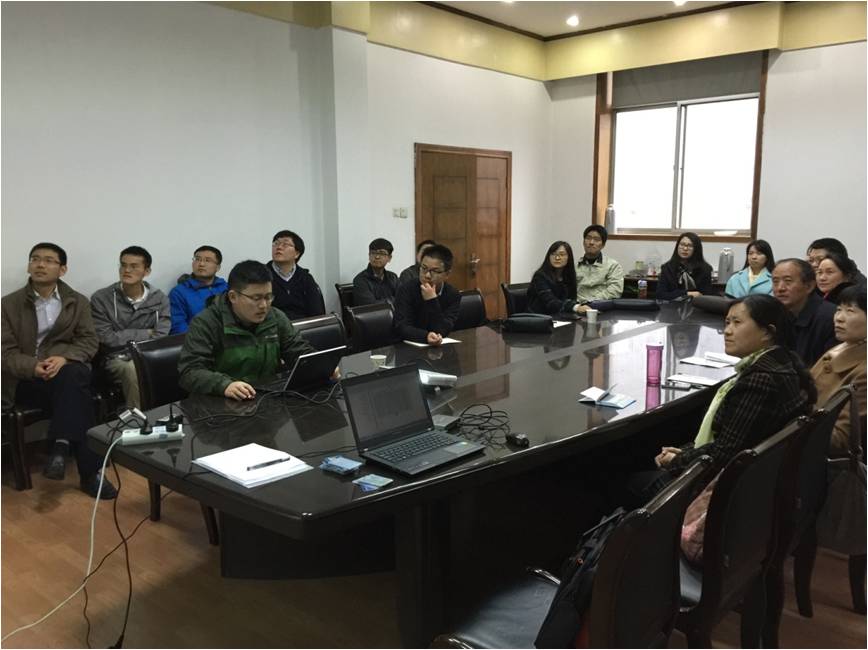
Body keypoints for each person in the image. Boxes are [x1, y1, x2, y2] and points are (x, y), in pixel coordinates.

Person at [629, 294, 815, 504]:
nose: (727, 330)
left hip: (728, 493)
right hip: (759, 480)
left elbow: (723, 454)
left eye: (737, 323)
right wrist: (686, 451)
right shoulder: (782, 361)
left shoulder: (760, 381)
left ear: (767, 332)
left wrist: (677, 460)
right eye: (727, 322)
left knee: (627, 477)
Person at [1, 243, 116, 499]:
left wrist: (64, 358)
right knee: (79, 391)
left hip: (63, 373)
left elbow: (89, 341)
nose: (40, 264)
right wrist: (33, 366)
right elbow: (4, 353)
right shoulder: (8, 305)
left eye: (49, 260)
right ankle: (88, 471)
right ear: (29, 265)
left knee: (73, 377)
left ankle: (61, 445)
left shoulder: (77, 301)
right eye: (35, 259)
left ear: (62, 269)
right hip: (25, 381)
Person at [178, 260, 314, 400]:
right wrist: (224, 385)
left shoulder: (275, 317)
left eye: (268, 297)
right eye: (256, 298)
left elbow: (297, 350)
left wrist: (318, 367)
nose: (263, 305)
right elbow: (190, 371)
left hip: (266, 398)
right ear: (233, 297)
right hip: (219, 402)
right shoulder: (206, 323)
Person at [90, 246, 171, 408]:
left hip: (149, 355)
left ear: (146, 271)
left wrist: (125, 335)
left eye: (134, 266)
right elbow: (106, 338)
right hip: (115, 357)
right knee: (133, 369)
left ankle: (171, 416)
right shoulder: (101, 298)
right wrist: (147, 333)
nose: (126, 270)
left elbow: (161, 335)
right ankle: (137, 418)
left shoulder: (159, 298)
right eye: (123, 265)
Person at [810, 285, 866, 456]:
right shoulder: (840, 348)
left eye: (850, 311)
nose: (839, 318)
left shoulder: (864, 372)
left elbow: (839, 440)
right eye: (838, 309)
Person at [772, 258, 837, 366]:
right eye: (775, 281)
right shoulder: (776, 314)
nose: (780, 288)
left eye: (788, 281)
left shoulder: (831, 318)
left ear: (809, 286)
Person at [393, 244, 460, 345]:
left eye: (435, 271)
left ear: (447, 274)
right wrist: (425, 336)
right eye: (424, 268)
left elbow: (443, 330)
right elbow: (402, 327)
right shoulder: (406, 289)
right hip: (407, 346)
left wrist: (432, 301)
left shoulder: (453, 294)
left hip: (438, 347)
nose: (427, 275)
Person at [169, 245, 228, 334]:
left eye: (207, 260)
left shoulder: (227, 288)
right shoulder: (179, 292)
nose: (201, 264)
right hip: (196, 339)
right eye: (197, 259)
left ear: (218, 267)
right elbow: (178, 326)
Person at [267, 230, 325, 320]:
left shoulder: (306, 278)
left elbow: (317, 313)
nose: (279, 247)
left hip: (303, 326)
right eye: (276, 243)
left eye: (285, 244)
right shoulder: (262, 276)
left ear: (297, 254)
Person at [527, 241, 582, 315]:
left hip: (560, 317)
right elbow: (551, 302)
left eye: (562, 254)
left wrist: (578, 306)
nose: (557, 258)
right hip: (538, 318)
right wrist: (575, 307)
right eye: (553, 254)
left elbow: (572, 299)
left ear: (569, 257)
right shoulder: (540, 276)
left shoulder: (568, 276)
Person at [575, 225, 624, 306]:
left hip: (601, 307)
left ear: (603, 245)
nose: (591, 242)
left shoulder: (613, 266)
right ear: (583, 242)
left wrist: (590, 302)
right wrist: (577, 305)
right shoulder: (575, 265)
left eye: (596, 239)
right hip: (578, 307)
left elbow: (615, 290)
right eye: (588, 238)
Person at [657, 232, 714, 301]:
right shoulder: (667, 268)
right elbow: (660, 295)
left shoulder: (705, 269)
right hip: (672, 306)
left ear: (696, 249)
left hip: (696, 306)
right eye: (682, 244)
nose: (685, 248)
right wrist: (687, 293)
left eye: (690, 246)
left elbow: (706, 296)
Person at [353, 238, 399, 306]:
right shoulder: (360, 280)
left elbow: (402, 298)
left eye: (382, 253)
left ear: (389, 258)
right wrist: (393, 300)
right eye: (373, 253)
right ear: (369, 255)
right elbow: (372, 306)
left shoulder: (393, 277)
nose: (377, 257)